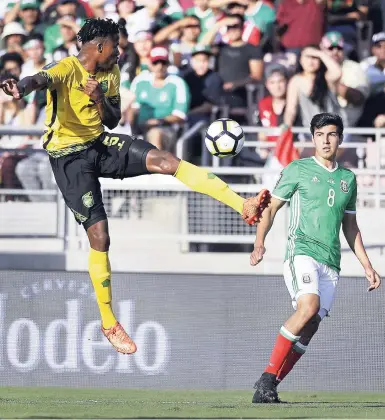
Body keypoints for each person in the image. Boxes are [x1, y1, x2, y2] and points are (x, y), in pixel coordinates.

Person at [0, 18, 270, 355]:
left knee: (166, 161)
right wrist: (19, 88)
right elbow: (37, 79)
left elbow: (112, 119)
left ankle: (241, 204)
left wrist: (99, 98)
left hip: (99, 144)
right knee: (100, 236)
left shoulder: (110, 74)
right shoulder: (66, 68)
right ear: (99, 45)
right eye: (116, 44)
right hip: (68, 158)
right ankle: (109, 321)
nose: (121, 50)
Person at [250, 112, 381, 404]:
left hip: (331, 262)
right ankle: (268, 376)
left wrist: (367, 266)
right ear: (312, 139)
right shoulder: (298, 169)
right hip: (302, 252)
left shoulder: (348, 178)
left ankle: (269, 387)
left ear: (340, 139)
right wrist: (259, 242)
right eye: (320, 135)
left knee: (311, 326)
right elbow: (270, 209)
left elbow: (350, 226)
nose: (326, 140)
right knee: (309, 306)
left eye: (332, 134)